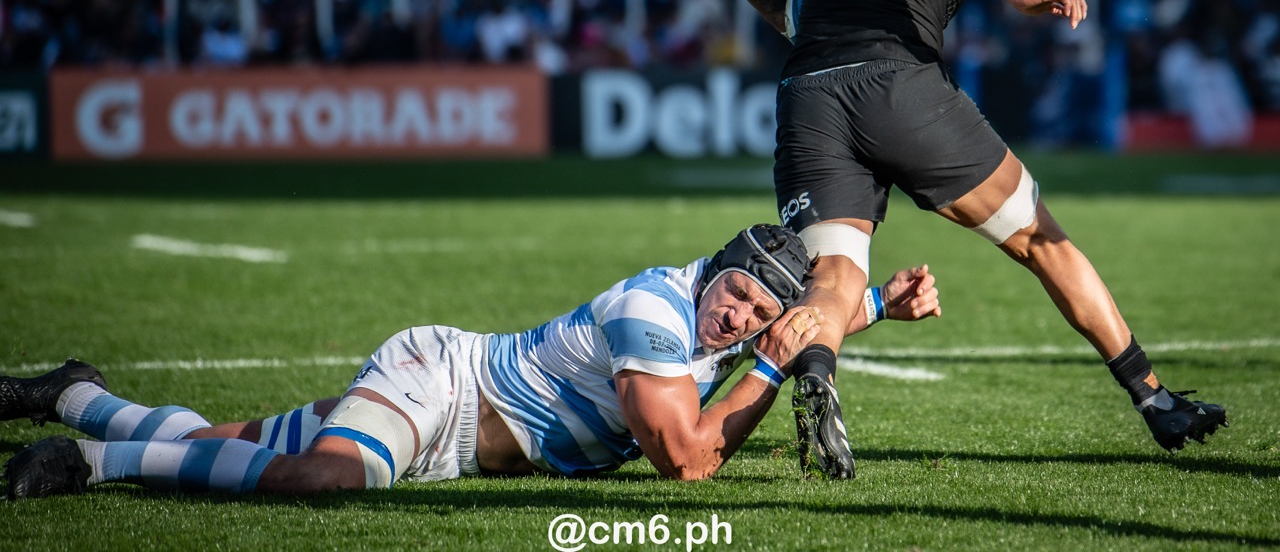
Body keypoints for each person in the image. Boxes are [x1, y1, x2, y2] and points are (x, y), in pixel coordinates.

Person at [724, 0, 1227, 480]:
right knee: (1039, 239)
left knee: (834, 278)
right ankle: (1154, 396)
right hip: (896, 84)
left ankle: (816, 371)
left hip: (808, 94)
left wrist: (791, 18)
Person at [2, 224, 941, 500]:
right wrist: (774, 372)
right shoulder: (654, 310)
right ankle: (94, 465)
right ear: (719, 270)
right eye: (736, 298)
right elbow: (686, 457)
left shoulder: (723, 326)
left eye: (756, 320)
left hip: (457, 434)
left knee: (230, 443)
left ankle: (77, 395)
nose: (737, 324)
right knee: (328, 479)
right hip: (444, 383)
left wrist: (876, 310)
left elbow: (798, 327)